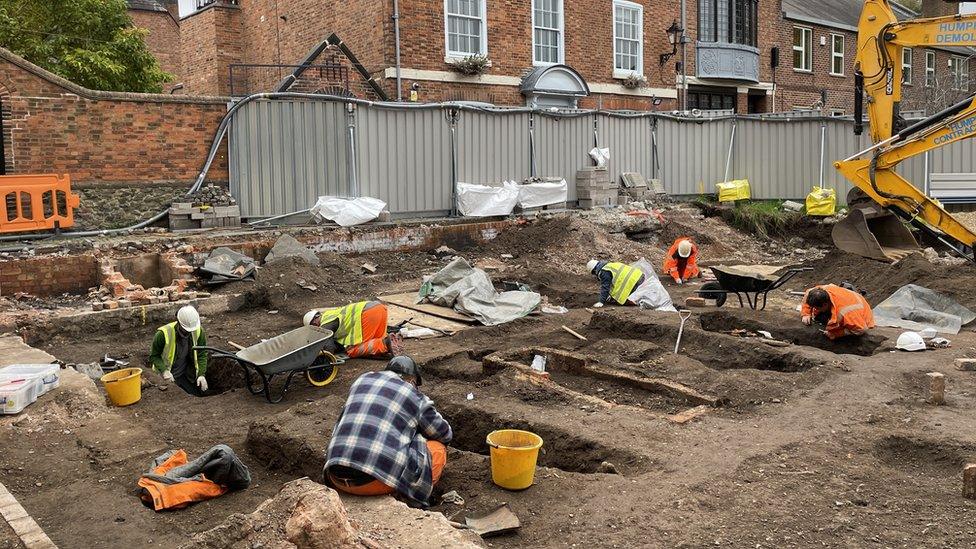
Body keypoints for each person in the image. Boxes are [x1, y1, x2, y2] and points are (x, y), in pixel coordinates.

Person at [324, 356, 452, 507]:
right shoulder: (415, 396)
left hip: (335, 477)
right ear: (412, 380)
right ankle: (410, 498)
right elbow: (444, 434)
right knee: (437, 449)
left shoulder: (361, 380)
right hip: (373, 483)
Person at [303, 301, 402, 358]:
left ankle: (385, 342)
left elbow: (329, 346)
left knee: (353, 350)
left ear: (314, 323)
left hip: (368, 314)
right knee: (376, 340)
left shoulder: (325, 323)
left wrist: (325, 358)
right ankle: (392, 341)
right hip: (380, 308)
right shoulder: (330, 314)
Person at [149, 305, 209, 396]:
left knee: (195, 396)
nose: (189, 332)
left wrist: (201, 375)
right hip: (165, 376)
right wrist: (164, 371)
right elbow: (154, 356)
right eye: (186, 330)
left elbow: (202, 354)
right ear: (179, 322)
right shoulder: (162, 334)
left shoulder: (198, 331)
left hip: (184, 375)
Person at [801, 284, 875, 340]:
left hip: (860, 313)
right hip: (848, 297)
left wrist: (836, 334)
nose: (815, 309)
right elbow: (808, 293)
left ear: (825, 304)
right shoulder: (823, 290)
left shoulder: (846, 312)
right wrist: (806, 313)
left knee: (831, 323)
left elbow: (860, 329)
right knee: (820, 317)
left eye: (817, 308)